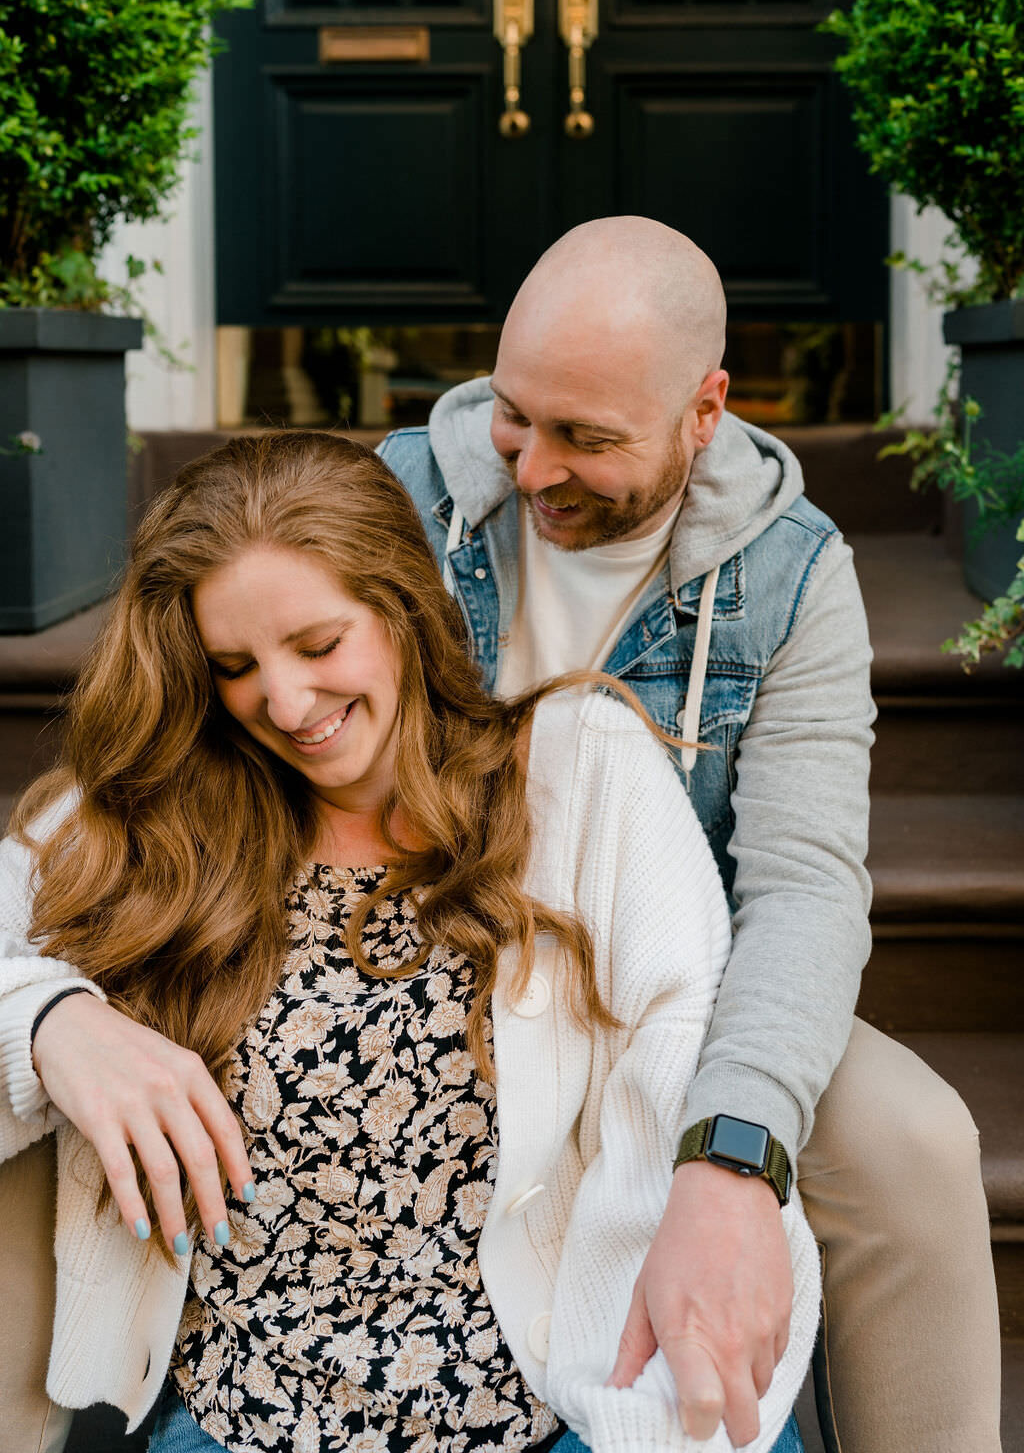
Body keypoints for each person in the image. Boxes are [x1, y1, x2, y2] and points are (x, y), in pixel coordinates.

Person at [0, 432, 817, 1453]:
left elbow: (678, 1058)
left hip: (563, 1410)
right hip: (248, 1419)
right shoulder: (145, 821)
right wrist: (51, 1023)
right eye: (236, 666)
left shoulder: (574, 775)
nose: (286, 705)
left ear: (401, 608)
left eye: (318, 644)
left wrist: (639, 1421)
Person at [377, 216, 1003, 1453]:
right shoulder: (393, 500)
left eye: (587, 438)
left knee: (918, 1145)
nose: (533, 468)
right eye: (516, 414)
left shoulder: (791, 576)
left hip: (677, 986)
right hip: (418, 946)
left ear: (705, 410)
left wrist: (731, 1154)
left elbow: (805, 885)